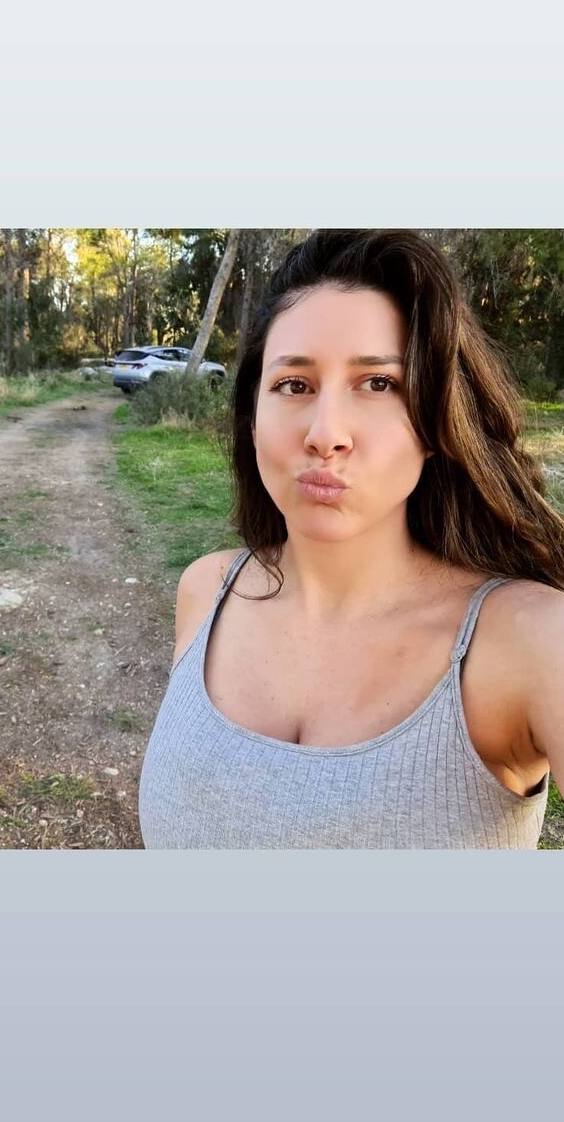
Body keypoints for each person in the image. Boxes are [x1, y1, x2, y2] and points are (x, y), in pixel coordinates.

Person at [139, 229, 564, 848]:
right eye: (294, 385)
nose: (325, 433)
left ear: (435, 419)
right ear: (252, 419)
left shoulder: (530, 641)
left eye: (378, 383)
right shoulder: (206, 590)